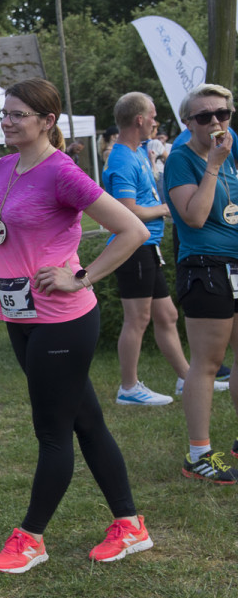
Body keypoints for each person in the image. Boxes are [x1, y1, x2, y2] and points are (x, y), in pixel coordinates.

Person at [0, 78, 152, 574]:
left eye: (17, 115)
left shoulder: (63, 172)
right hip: (20, 317)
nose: (7, 122)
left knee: (52, 432)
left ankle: (31, 537)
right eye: (4, 114)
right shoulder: (5, 167)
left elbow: (133, 230)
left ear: (46, 121)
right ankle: (130, 524)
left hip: (60, 320)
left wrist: (81, 277)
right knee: (87, 421)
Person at [103, 93, 198, 406]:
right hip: (134, 247)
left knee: (167, 315)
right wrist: (164, 208)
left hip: (148, 247)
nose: (157, 122)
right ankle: (128, 388)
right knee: (137, 319)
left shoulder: (139, 152)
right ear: (139, 120)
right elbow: (126, 210)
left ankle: (187, 378)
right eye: (153, 115)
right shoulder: (121, 159)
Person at [164, 83, 238, 483]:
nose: (215, 122)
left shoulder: (230, 141)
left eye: (222, 114)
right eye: (204, 116)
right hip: (205, 267)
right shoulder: (181, 159)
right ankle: (199, 454)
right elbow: (193, 216)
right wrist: (212, 164)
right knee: (207, 364)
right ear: (187, 122)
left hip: (237, 263)